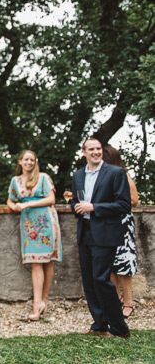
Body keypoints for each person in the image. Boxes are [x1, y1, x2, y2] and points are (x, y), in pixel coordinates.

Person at [70, 138, 131, 338]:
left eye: (98, 149)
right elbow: (76, 203)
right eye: (91, 149)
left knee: (101, 279)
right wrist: (77, 207)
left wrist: (94, 207)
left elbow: (124, 205)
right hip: (85, 232)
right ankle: (100, 324)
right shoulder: (78, 175)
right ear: (84, 152)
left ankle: (119, 328)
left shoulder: (115, 173)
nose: (96, 152)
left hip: (105, 233)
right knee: (89, 281)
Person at [7, 150, 62, 321]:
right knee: (35, 262)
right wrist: (14, 206)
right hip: (29, 224)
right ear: (20, 161)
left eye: (32, 160)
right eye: (26, 159)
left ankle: (43, 300)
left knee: (47, 260)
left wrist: (30, 203)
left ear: (35, 162)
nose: (29, 162)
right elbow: (10, 199)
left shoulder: (43, 177)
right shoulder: (15, 181)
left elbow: (51, 199)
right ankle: (37, 304)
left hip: (46, 221)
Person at [102, 145, 139, 318]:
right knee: (110, 263)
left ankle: (129, 302)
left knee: (123, 263)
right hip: (107, 223)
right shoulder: (104, 176)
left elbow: (134, 199)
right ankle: (115, 300)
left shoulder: (123, 175)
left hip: (122, 223)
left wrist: (112, 202)